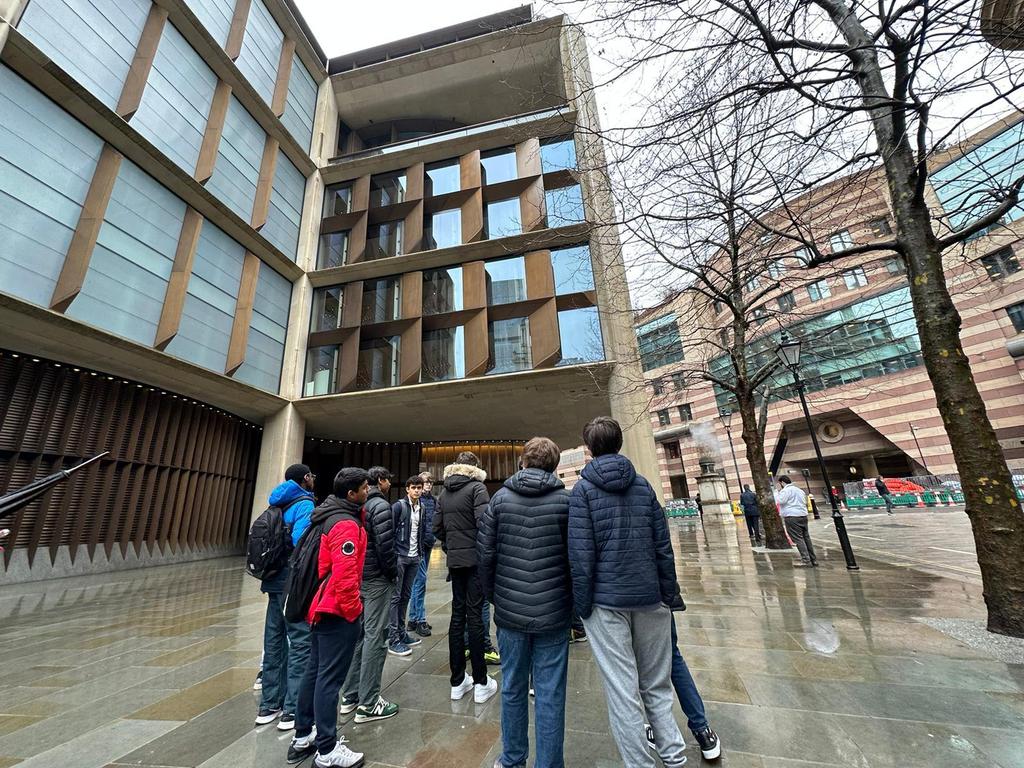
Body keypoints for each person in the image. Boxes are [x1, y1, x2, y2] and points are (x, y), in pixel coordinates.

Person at [568, 417, 688, 768]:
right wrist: (670, 593)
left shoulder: (583, 491)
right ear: (619, 444)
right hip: (651, 598)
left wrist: (582, 606)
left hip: (606, 602)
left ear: (589, 449)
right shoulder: (644, 486)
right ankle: (675, 758)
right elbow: (663, 546)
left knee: (623, 691)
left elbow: (580, 554)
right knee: (657, 685)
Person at [479, 437, 572, 768]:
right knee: (550, 693)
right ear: (554, 465)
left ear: (524, 462)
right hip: (554, 612)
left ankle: (513, 759)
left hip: (509, 612)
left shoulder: (499, 500)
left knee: (513, 688)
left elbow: (486, 556)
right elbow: (575, 559)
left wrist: (495, 598)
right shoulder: (566, 501)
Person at [288, 468, 369, 768]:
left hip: (319, 606)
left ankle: (303, 735)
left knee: (314, 671)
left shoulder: (325, 514)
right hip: (335, 608)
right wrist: (354, 612)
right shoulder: (346, 524)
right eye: (364, 488)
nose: (367, 492)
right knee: (329, 679)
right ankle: (327, 748)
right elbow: (346, 577)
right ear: (351, 494)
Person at [433, 451, 497, 703]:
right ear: (475, 468)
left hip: (456, 562)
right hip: (475, 562)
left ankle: (457, 681)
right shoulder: (477, 489)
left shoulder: (444, 492)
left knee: (457, 617)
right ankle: (481, 681)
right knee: (476, 617)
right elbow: (485, 523)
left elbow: (437, 527)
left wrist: (451, 547)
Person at [256, 464, 315, 730]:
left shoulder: (275, 503)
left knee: (274, 640)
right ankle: (292, 709)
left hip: (272, 580)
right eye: (311, 476)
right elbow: (302, 545)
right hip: (292, 581)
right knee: (300, 639)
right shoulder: (304, 504)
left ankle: (269, 705)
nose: (313, 479)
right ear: (305, 478)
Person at [340, 467, 399, 723]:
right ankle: (369, 702)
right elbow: (386, 546)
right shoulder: (380, 506)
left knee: (361, 635)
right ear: (380, 481)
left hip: (359, 577)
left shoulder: (357, 506)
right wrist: (393, 573)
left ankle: (350, 694)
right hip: (376, 579)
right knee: (377, 636)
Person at [388, 476, 427, 656]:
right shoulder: (399, 506)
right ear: (407, 489)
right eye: (414, 488)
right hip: (400, 556)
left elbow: (421, 532)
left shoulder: (423, 508)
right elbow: (391, 530)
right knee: (395, 598)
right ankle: (393, 638)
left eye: (419, 487)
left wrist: (419, 553)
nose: (417, 490)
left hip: (414, 557)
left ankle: (402, 633)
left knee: (405, 596)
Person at [406, 472, 437, 637]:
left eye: (429, 483)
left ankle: (412, 618)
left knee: (418, 582)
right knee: (420, 582)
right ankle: (420, 619)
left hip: (428, 544)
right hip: (418, 546)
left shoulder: (433, 501)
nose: (427, 486)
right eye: (425, 483)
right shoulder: (417, 502)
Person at [777, 475, 817, 567]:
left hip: (792, 516)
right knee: (806, 537)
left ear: (782, 482)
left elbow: (780, 501)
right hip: (803, 515)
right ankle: (813, 559)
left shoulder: (785, 491)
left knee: (798, 538)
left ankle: (806, 560)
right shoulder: (799, 490)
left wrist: (778, 492)